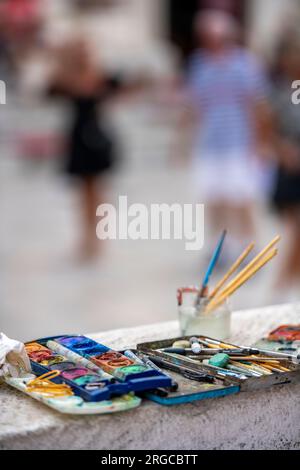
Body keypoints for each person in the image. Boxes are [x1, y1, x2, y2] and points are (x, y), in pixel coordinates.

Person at [183, 10, 272, 260]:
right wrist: (184, 143)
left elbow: (257, 105)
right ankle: (220, 246)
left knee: (241, 198)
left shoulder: (244, 64)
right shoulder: (198, 64)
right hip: (210, 142)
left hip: (239, 141)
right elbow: (194, 106)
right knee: (214, 197)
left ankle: (250, 246)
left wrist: (261, 142)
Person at [48, 38, 122, 260]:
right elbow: (49, 89)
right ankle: (85, 237)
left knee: (98, 192)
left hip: (96, 137)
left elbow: (118, 88)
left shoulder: (98, 76)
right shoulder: (67, 79)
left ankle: (98, 238)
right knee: (82, 193)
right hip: (77, 137)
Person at [271, 39, 300, 292]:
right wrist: (283, 151)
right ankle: (283, 285)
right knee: (295, 229)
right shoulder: (280, 91)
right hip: (290, 169)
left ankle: (284, 284)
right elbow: (267, 129)